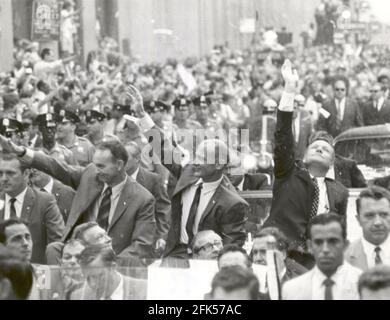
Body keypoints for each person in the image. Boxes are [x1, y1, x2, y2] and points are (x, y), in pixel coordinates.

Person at [130, 85, 248, 259]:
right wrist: (142, 115)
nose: (195, 162)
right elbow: (164, 148)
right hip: (176, 253)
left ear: (218, 165)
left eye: (202, 159)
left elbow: (231, 249)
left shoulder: (233, 203)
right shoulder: (189, 173)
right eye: (196, 156)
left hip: (207, 262)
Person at [0, 137, 156, 261]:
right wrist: (23, 153)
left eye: (101, 166)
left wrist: (107, 261)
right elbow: (57, 167)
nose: (97, 170)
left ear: (119, 165)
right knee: (54, 249)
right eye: (95, 165)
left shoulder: (142, 199)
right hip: (76, 252)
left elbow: (141, 246)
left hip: (111, 257)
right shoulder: (91, 175)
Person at [263, 60, 349, 253]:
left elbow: (341, 233)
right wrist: (289, 90)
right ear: (304, 155)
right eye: (315, 147)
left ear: (332, 162)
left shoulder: (340, 191)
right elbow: (283, 134)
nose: (319, 149)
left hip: (318, 259)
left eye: (325, 149)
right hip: (281, 254)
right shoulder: (288, 172)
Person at [0, 153, 64, 264]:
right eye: (0, 173)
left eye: (10, 173)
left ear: (26, 174)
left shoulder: (45, 202)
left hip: (34, 274)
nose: (4, 179)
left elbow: (57, 244)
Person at [282, 214, 362, 300]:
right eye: (318, 242)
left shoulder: (363, 285)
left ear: (345, 244)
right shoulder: (292, 290)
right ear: (310, 246)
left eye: (333, 241)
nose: (325, 249)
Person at [125, 142, 171, 254]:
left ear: (137, 159)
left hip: (146, 239)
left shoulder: (153, 179)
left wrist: (162, 236)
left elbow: (163, 209)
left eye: (125, 157)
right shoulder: (116, 178)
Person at [71, 244, 147, 300]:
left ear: (113, 267)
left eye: (99, 276)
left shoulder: (145, 289)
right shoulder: (78, 297)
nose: (93, 284)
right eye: (88, 278)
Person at [345, 186, 390, 270]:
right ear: (358, 219)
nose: (377, 222)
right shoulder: (344, 259)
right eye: (369, 215)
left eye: (384, 215)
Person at [292, 95, 314, 160]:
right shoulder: (287, 116)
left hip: (301, 152)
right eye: (298, 105)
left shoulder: (307, 117)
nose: (300, 108)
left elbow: (310, 136)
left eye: (302, 105)